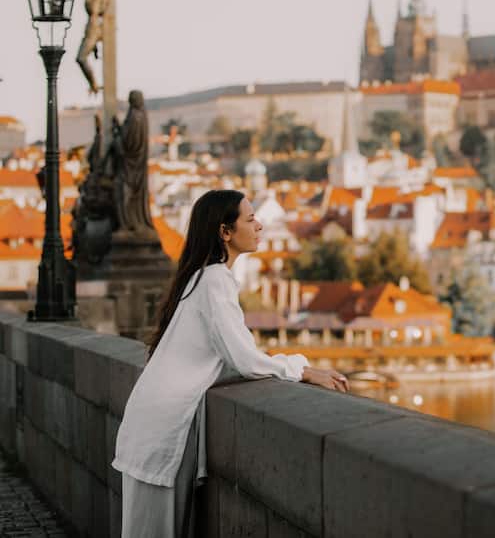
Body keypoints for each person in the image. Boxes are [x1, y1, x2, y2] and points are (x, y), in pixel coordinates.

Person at [112, 190, 349, 537]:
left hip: (151, 422)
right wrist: (302, 369)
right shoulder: (214, 281)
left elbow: (224, 359)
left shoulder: (200, 278)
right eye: (250, 219)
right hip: (163, 426)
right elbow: (244, 359)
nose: (260, 225)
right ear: (225, 231)